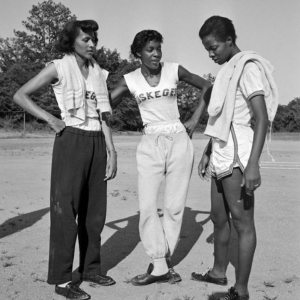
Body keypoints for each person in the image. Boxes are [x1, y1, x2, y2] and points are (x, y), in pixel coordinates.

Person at [13, 20, 117, 300]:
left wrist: (111, 150)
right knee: (65, 212)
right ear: (71, 42)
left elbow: (103, 114)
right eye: (85, 39)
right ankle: (61, 279)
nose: (92, 44)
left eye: (94, 38)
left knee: (94, 214)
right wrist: (50, 119)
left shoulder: (98, 71)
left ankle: (91, 269)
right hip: (71, 139)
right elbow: (20, 95)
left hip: (97, 141)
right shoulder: (58, 66)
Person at [110, 29, 211, 286]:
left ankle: (160, 266)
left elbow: (207, 86)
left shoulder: (174, 70)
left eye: (158, 48)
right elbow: (104, 104)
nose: (156, 54)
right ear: (138, 54)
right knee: (146, 207)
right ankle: (159, 262)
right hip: (149, 143)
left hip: (178, 137)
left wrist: (195, 119)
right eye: (150, 50)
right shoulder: (129, 79)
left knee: (174, 208)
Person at [191, 16, 278, 300]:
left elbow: (262, 118)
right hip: (220, 149)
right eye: (207, 49)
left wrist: (253, 164)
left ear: (229, 40)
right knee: (218, 217)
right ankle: (218, 272)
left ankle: (241, 290)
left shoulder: (248, 67)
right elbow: (220, 118)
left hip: (239, 154)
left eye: (213, 47)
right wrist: (207, 151)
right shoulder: (228, 69)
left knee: (242, 223)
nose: (211, 53)